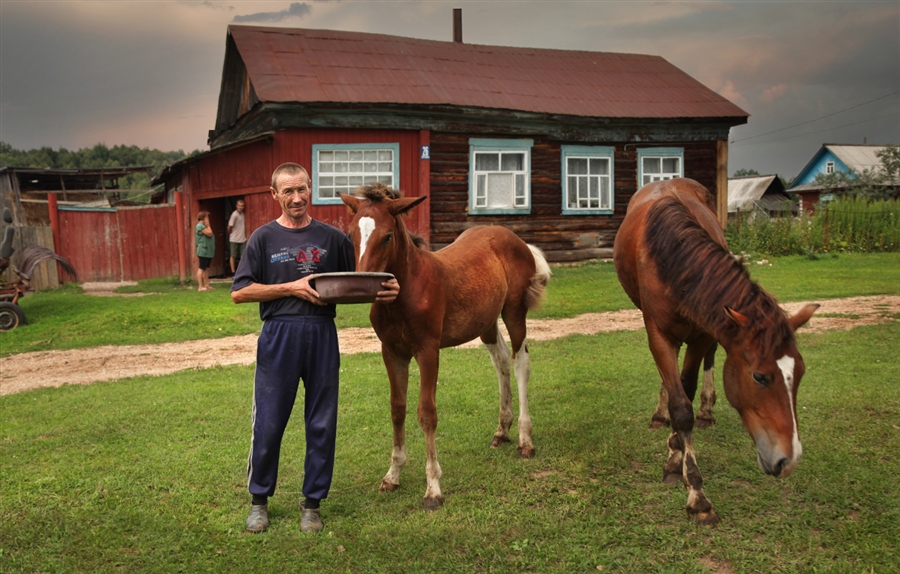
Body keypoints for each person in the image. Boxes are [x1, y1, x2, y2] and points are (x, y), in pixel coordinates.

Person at [231, 162, 399, 534]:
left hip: (322, 334)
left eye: (302, 189)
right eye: (287, 191)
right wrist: (291, 287)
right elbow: (240, 292)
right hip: (279, 334)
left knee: (322, 422)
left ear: (311, 189)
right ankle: (259, 501)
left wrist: (386, 291)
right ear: (274, 195)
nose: (296, 198)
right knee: (270, 422)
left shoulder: (332, 239)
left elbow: (355, 284)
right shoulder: (262, 239)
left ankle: (312, 503)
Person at [195, 211, 215, 292]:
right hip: (203, 250)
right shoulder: (200, 226)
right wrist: (208, 225)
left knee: (206, 268)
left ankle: (206, 285)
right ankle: (200, 286)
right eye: (207, 217)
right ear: (203, 218)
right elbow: (209, 233)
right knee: (201, 268)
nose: (208, 219)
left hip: (207, 251)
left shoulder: (203, 226)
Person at [227, 199, 246, 275]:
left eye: (242, 206)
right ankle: (233, 272)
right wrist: (230, 234)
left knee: (243, 256)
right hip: (234, 239)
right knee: (233, 256)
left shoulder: (243, 214)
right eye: (239, 205)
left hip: (242, 238)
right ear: (236, 206)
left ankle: (241, 271)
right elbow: (229, 226)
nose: (240, 207)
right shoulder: (234, 215)